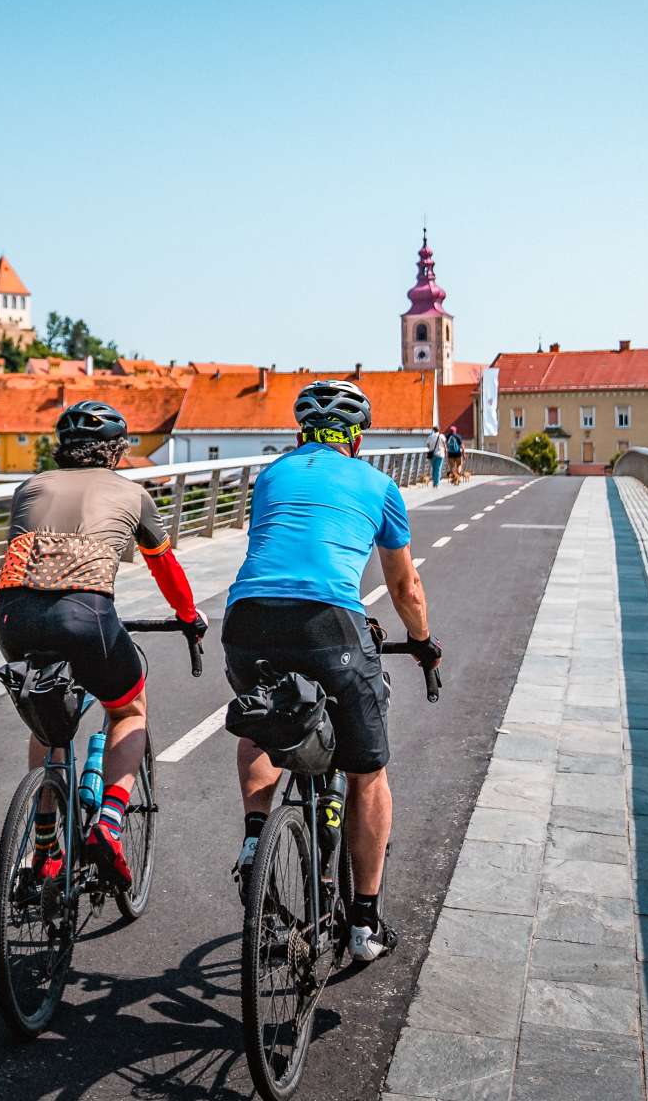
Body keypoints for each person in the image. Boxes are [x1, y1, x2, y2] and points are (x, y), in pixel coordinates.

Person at [222, 380, 439, 962]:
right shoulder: (380, 485)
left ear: (299, 436)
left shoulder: (270, 476)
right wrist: (421, 642)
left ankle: (253, 839)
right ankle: (365, 924)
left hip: (246, 620)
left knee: (260, 726)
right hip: (330, 626)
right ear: (358, 439)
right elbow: (403, 586)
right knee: (368, 773)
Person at [0, 400, 208, 892]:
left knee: (49, 717)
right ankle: (110, 822)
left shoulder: (29, 487)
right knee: (128, 709)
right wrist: (188, 617)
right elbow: (165, 568)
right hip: (85, 617)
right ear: (116, 451)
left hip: (13, 618)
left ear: (62, 450)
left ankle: (45, 846)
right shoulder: (132, 494)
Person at [424, 423, 447, 489]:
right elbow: (445, 445)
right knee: (438, 469)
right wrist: (446, 453)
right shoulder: (441, 436)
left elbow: (427, 445)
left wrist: (431, 448)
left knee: (434, 468)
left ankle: (434, 482)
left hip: (432, 455)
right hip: (440, 454)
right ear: (439, 430)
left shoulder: (430, 436)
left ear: (433, 430)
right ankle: (436, 483)